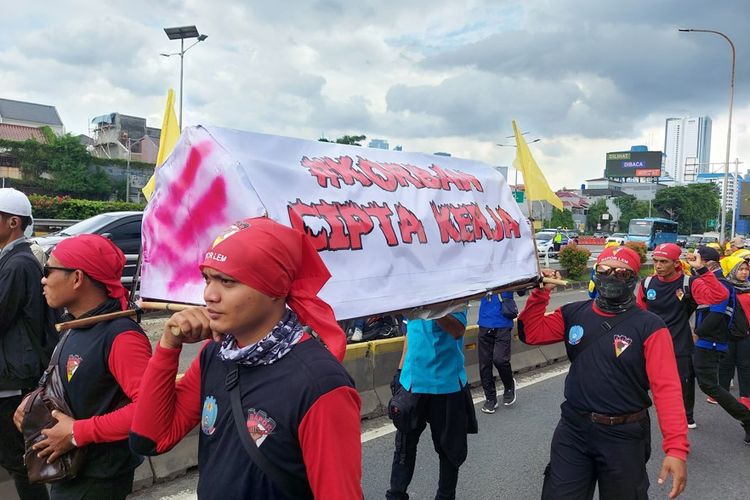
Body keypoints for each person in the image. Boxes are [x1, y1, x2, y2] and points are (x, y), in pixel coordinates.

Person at [129, 218, 361, 499]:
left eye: (227, 281)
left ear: (274, 288)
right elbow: (150, 438)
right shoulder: (216, 353)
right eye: (208, 279)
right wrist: (168, 346)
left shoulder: (319, 383)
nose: (209, 295)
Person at [518, 246, 688, 499]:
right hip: (573, 429)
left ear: (633, 278)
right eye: (603, 270)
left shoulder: (650, 326)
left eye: (621, 272)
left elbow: (667, 389)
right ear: (595, 273)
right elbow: (531, 333)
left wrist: (676, 448)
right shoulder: (573, 313)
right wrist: (540, 294)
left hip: (625, 435)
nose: (611, 277)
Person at [13, 234, 152, 499]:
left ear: (77, 278)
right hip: (70, 471)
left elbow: (149, 409)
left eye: (48, 270)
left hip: (98, 479)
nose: (43, 279)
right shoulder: (75, 325)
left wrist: (78, 433)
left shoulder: (121, 336)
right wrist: (34, 398)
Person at [0, 188, 56, 500]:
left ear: (13, 222)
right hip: (15, 372)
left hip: (12, 378)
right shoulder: (13, 260)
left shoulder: (17, 264)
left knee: (18, 460)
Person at [387, 309, 477, 500]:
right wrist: (400, 369)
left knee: (449, 453)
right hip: (412, 383)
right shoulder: (413, 290)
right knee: (403, 449)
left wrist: (430, 308)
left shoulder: (453, 289)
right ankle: (396, 495)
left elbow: (457, 330)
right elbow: (410, 331)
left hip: (446, 384)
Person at [637, 243, 728, 429]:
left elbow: (719, 296)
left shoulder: (689, 283)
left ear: (675, 262)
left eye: (664, 261)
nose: (658, 265)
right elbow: (639, 314)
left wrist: (701, 269)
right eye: (655, 261)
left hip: (680, 344)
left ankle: (687, 416)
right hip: (652, 344)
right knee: (640, 383)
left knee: (683, 385)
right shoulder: (647, 283)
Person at [691, 248, 750, 444]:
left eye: (697, 259)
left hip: (710, 341)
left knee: (709, 385)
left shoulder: (719, 284)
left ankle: (747, 418)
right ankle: (686, 418)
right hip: (709, 340)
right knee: (687, 378)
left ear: (708, 262)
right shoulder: (715, 281)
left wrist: (696, 334)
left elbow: (716, 315)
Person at [718, 254, 750, 422]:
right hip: (727, 334)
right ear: (732, 270)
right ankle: (721, 393)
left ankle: (746, 396)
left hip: (745, 335)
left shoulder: (749, 288)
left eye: (746, 269)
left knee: (745, 366)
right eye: (741, 269)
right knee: (725, 364)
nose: (744, 273)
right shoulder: (725, 288)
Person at [477, 291, 517, 413]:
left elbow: (522, 290)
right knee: (485, 364)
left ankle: (509, 386)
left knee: (500, 360)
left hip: (503, 323)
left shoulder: (508, 273)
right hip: (484, 322)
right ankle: (490, 399)